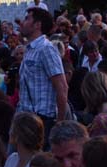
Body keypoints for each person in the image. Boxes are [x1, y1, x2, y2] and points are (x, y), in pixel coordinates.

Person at [18, 7, 69, 138]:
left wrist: (59, 123)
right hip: (26, 118)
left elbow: (62, 87)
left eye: (27, 18)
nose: (22, 23)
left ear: (37, 25)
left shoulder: (46, 49)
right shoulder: (30, 49)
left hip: (41, 120)